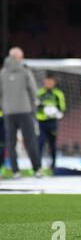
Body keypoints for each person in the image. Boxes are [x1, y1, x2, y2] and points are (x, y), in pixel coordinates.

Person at [0, 47, 41, 178]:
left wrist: (4, 106)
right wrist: (33, 108)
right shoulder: (25, 71)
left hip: (8, 112)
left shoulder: (2, 73)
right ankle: (37, 170)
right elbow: (34, 91)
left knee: (10, 143)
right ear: (18, 57)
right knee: (30, 140)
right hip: (24, 111)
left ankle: (15, 171)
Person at [36, 73, 66, 171]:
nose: (49, 83)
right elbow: (35, 106)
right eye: (47, 81)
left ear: (54, 82)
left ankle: (53, 166)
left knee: (52, 144)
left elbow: (62, 108)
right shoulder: (39, 93)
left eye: (51, 82)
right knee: (40, 143)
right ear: (44, 82)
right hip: (41, 122)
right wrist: (43, 108)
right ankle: (38, 166)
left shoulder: (58, 94)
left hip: (52, 122)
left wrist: (55, 112)